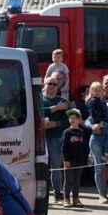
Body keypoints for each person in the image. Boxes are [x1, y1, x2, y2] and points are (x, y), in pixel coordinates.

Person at [42, 76, 68, 205]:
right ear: (44, 84)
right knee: (41, 166)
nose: (52, 86)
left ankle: (58, 193)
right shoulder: (39, 99)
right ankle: (42, 193)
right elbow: (38, 111)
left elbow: (67, 121)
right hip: (40, 138)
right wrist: (56, 108)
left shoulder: (62, 101)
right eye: (49, 83)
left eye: (54, 84)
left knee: (56, 166)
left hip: (57, 137)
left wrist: (56, 123)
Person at [62, 108, 86, 208]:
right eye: (70, 118)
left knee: (77, 181)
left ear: (79, 119)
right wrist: (65, 160)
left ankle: (75, 198)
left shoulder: (81, 132)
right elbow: (63, 147)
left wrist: (85, 158)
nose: (72, 120)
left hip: (79, 161)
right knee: (68, 181)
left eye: (74, 118)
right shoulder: (67, 132)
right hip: (69, 161)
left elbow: (84, 147)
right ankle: (66, 198)